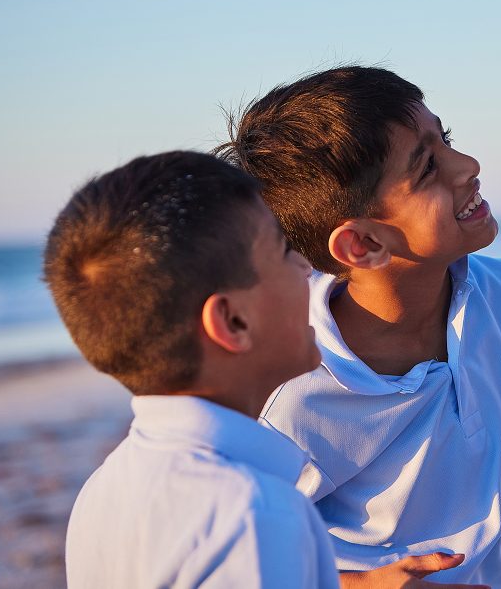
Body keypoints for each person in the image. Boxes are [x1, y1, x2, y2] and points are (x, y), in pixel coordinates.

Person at [214, 66, 501, 589]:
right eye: (427, 168)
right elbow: (230, 566)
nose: (468, 166)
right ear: (363, 245)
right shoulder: (287, 395)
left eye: (446, 140)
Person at [45, 151, 341, 588]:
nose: (307, 266)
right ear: (232, 322)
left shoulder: (102, 490)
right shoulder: (253, 514)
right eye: (283, 251)